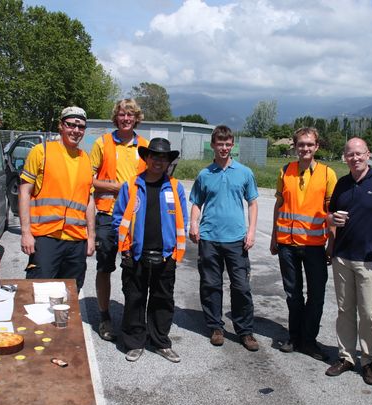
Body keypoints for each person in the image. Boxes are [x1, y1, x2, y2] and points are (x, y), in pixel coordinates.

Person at [325, 137, 372, 385]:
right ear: (344, 157)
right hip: (343, 257)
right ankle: (346, 357)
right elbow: (330, 214)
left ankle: (368, 361)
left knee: (369, 313)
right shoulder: (343, 183)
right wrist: (331, 225)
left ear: (368, 155)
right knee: (345, 310)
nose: (354, 158)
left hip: (369, 259)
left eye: (359, 154)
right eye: (350, 154)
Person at [112, 138, 188, 363]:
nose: (158, 160)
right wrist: (125, 250)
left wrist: (175, 254)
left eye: (163, 157)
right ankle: (135, 342)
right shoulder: (131, 185)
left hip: (165, 255)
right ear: (146, 158)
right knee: (135, 298)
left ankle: (160, 342)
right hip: (135, 255)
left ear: (168, 161)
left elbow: (181, 221)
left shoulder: (175, 187)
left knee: (162, 299)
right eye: (154, 156)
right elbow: (119, 219)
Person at [189, 125, 260, 351]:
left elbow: (253, 203)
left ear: (232, 145)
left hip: (236, 240)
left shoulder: (244, 172)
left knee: (241, 287)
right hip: (209, 238)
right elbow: (196, 203)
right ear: (213, 145)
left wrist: (251, 232)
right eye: (220, 144)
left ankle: (245, 331)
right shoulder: (204, 174)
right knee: (211, 284)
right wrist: (193, 224)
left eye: (228, 144)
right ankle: (215, 327)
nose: (224, 148)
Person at [269, 127, 337, 360]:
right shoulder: (285, 170)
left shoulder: (328, 174)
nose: (305, 148)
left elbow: (332, 213)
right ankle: (294, 337)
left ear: (316, 147)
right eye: (301, 144)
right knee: (293, 294)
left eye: (310, 144)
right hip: (287, 244)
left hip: (315, 245)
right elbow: (279, 206)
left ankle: (309, 340)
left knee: (316, 295)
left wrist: (331, 244)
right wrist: (273, 237)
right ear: (295, 147)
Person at [90, 99, 149, 341]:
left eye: (130, 115)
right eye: (122, 114)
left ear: (136, 118)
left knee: (135, 269)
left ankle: (132, 317)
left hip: (134, 219)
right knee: (104, 267)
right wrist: (113, 187)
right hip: (107, 215)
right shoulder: (102, 143)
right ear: (116, 117)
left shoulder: (144, 146)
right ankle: (104, 316)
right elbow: (88, 179)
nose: (126, 118)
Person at [19, 106, 96, 290]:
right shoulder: (41, 151)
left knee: (70, 295)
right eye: (70, 125)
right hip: (46, 238)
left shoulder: (86, 159)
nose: (76, 131)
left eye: (81, 127)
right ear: (61, 126)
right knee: (39, 293)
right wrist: (25, 233)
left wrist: (91, 237)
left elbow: (89, 200)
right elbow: (24, 192)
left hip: (76, 240)